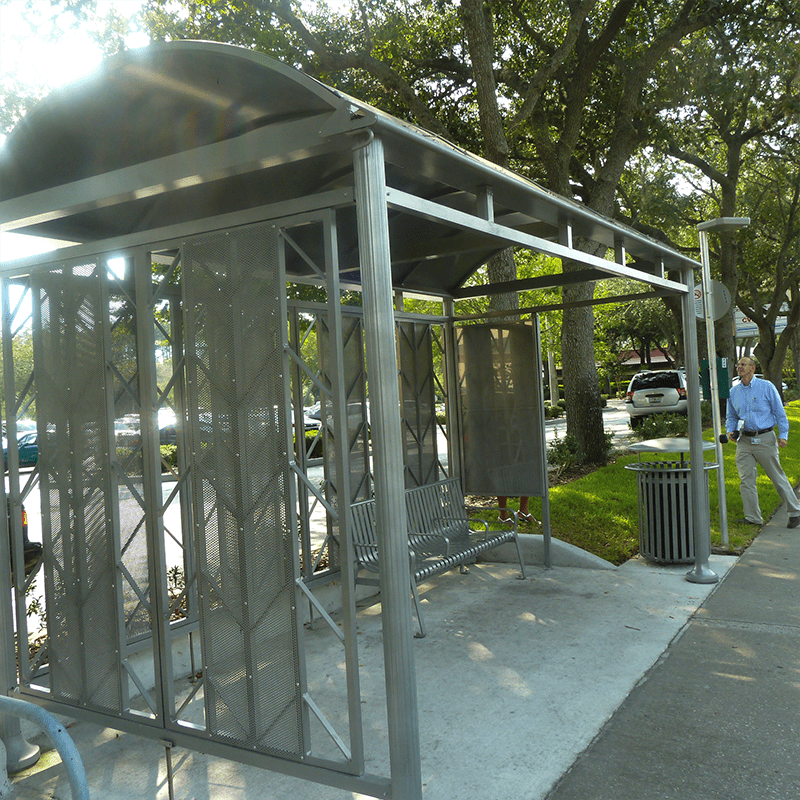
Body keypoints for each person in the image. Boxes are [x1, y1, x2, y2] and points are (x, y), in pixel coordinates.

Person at [725, 356, 800, 528]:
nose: (740, 368)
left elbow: (779, 412)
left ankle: (795, 512)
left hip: (765, 438)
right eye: (738, 365)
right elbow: (731, 416)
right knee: (746, 480)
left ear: (752, 368)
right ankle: (753, 517)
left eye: (743, 364)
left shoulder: (766, 387)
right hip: (744, 441)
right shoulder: (733, 392)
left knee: (776, 476)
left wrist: (784, 435)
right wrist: (730, 430)